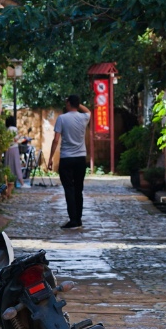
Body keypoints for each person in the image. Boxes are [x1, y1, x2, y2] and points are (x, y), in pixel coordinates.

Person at [48, 95, 90, 229]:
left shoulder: (62, 118)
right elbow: (88, 111)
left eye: (67, 102)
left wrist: (50, 158)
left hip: (66, 158)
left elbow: (56, 140)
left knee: (69, 189)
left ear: (68, 103)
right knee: (79, 189)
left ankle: (72, 219)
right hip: (80, 159)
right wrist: (78, 104)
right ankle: (78, 219)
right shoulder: (84, 117)